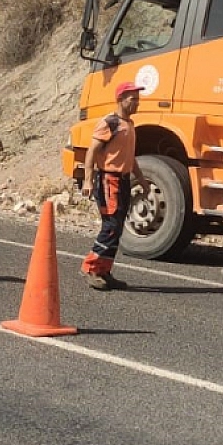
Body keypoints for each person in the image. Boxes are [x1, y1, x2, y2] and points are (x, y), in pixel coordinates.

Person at [79, 81, 142, 291]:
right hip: (108, 180)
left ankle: (105, 270)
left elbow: (130, 157)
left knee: (118, 227)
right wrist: (88, 180)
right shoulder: (110, 123)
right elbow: (92, 151)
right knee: (111, 225)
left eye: (137, 100)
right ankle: (91, 267)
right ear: (121, 100)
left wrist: (141, 180)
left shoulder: (130, 125)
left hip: (122, 180)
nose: (137, 104)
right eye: (133, 99)